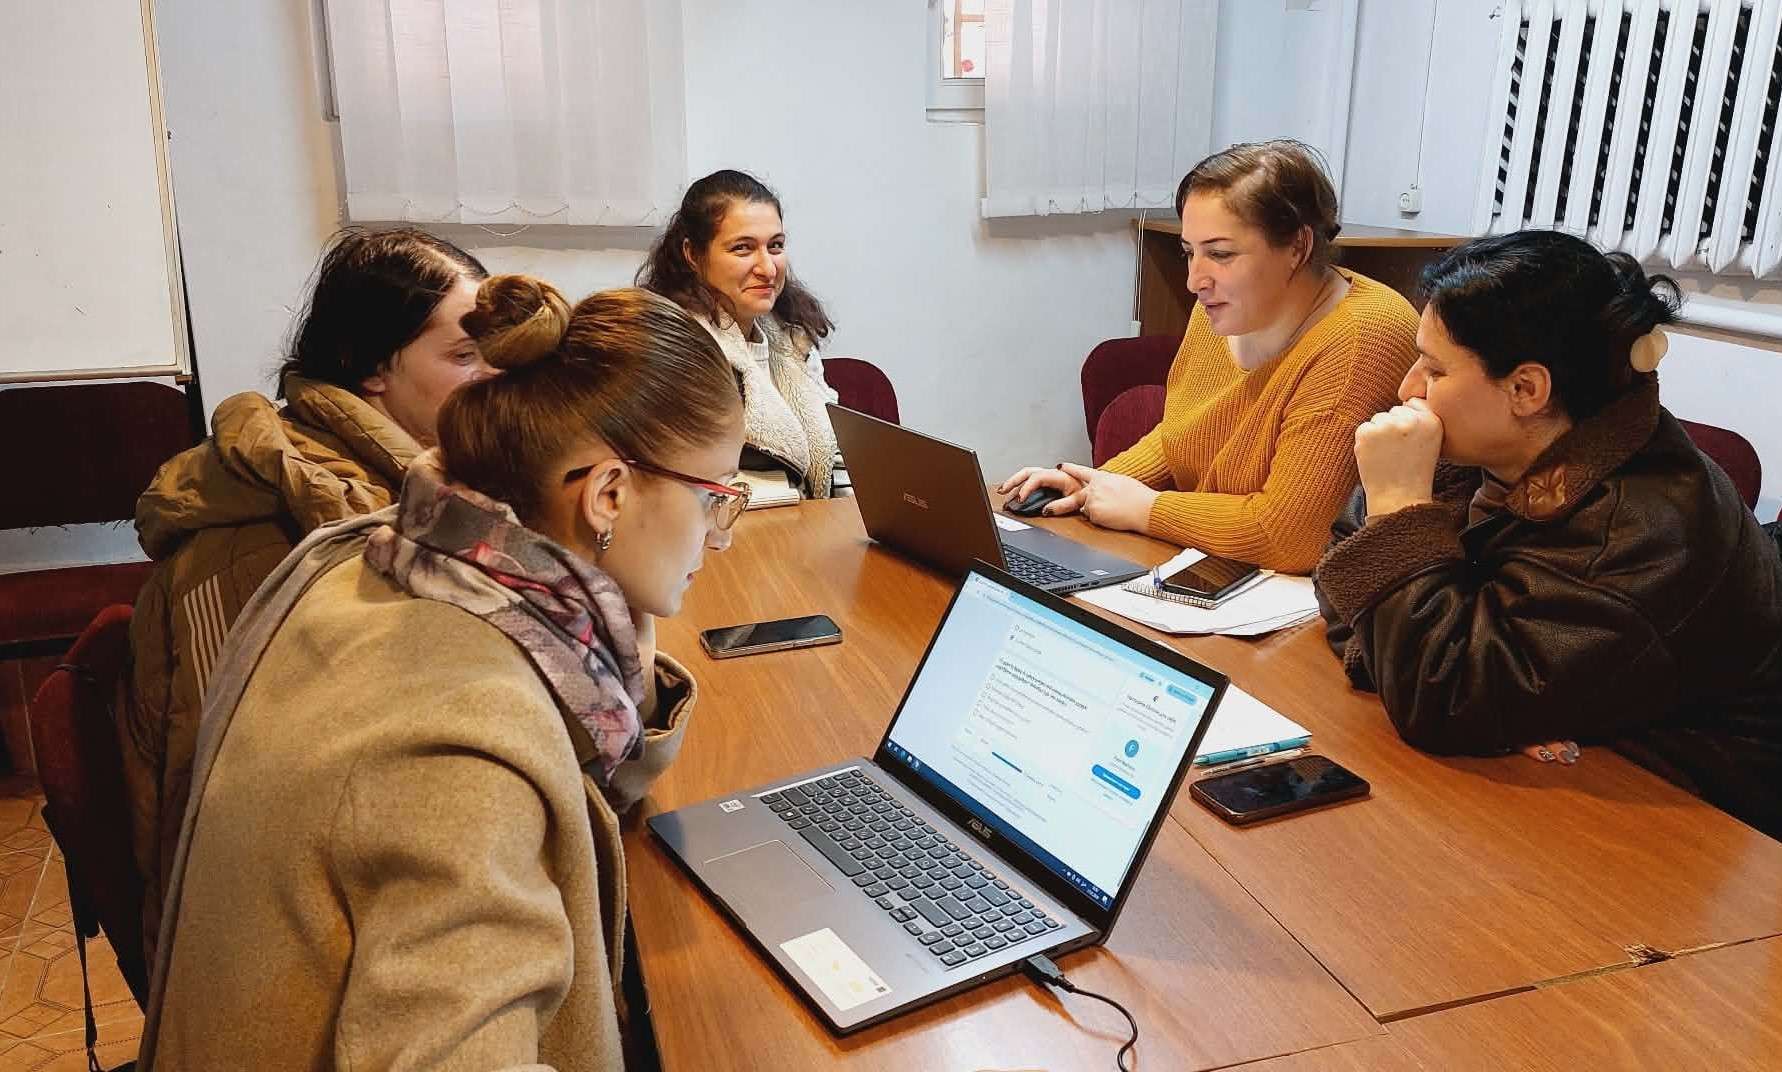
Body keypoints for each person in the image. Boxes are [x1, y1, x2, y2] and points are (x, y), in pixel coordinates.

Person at [138, 278, 748, 1068]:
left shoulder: (389, 554)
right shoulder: (464, 744)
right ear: (607, 494)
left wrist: (622, 621)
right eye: (714, 500)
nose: (721, 536)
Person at [1314, 230, 1782, 840]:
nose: (1408, 389)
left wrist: (1399, 509)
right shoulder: (1497, 444)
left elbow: (1439, 697)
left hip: (1679, 815)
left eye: (1434, 368)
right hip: (1557, 768)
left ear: (1526, 390)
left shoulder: (1643, 531)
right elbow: (1343, 581)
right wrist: (1438, 672)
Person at [124, 226, 492, 965]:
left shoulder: (422, 482)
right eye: (464, 356)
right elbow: (234, 808)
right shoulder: (255, 542)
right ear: (369, 368)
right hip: (286, 943)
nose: (496, 379)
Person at [999, 140, 1419, 573]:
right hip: (1214, 560)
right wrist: (1093, 485)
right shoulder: (1220, 308)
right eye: (1189, 252)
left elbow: (1289, 538)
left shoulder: (1363, 337)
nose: (1194, 281)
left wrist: (1149, 510)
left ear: (1297, 247)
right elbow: (1182, 437)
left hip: (1301, 592)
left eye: (1220, 254)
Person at [638, 168, 841, 498]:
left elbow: (833, 454)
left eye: (775, 246)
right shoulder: (675, 349)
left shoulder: (794, 338)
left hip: (809, 522)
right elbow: (682, 486)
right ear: (693, 255)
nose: (768, 268)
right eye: (743, 248)